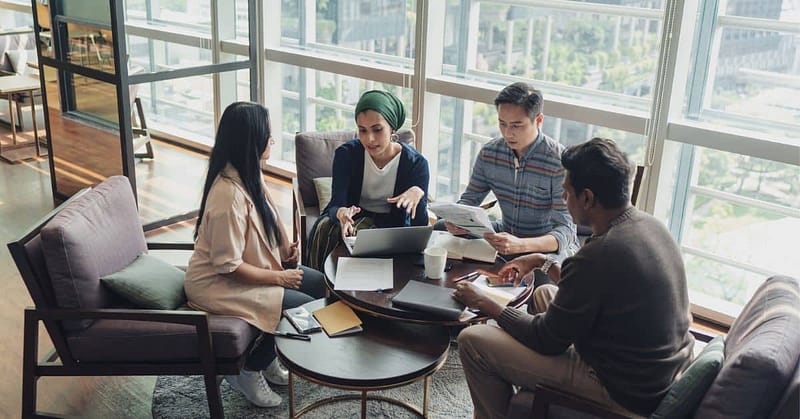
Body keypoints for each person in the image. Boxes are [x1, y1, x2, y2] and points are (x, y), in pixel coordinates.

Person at [453, 138, 695, 418]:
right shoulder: (649, 225)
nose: (563, 200)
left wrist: (487, 304)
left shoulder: (600, 254)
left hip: (621, 388)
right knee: (544, 294)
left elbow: (545, 339)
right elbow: (593, 289)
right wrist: (543, 261)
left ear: (588, 198)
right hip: (657, 371)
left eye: (567, 193)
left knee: (473, 339)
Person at [184, 102, 326, 408]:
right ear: (252, 141)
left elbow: (269, 218)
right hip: (218, 284)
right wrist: (279, 277)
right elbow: (227, 266)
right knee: (301, 310)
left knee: (320, 286)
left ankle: (269, 357)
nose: (272, 141)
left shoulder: (249, 173)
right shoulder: (227, 198)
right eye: (269, 136)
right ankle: (249, 370)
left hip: (247, 270)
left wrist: (287, 250)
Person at [440, 82, 577, 286]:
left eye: (516, 125)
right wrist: (457, 219)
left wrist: (521, 245)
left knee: (543, 284)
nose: (507, 133)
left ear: (538, 120)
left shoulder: (558, 162)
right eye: (502, 123)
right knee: (441, 229)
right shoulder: (490, 153)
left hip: (543, 249)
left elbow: (566, 230)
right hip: (505, 234)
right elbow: (469, 200)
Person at [307, 90, 430, 270]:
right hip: (354, 220)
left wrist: (419, 195)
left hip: (390, 228)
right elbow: (336, 204)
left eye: (377, 129)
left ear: (392, 128)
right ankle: (323, 287)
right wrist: (341, 213)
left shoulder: (416, 164)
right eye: (362, 130)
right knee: (328, 228)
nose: (369, 139)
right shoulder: (346, 155)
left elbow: (419, 226)